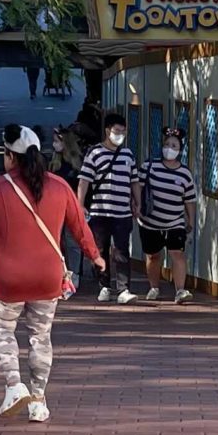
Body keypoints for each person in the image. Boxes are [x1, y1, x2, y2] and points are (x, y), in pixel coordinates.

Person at [0, 127, 103, 423]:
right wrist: (96, 256)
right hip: (48, 278)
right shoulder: (60, 186)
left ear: (10, 156)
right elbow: (79, 228)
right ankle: (38, 400)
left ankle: (14, 385)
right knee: (41, 337)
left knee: (2, 331)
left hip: (8, 279)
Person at [76, 110, 140, 304]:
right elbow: (84, 181)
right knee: (100, 250)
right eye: (116, 130)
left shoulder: (128, 155)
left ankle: (123, 289)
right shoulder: (95, 153)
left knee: (122, 250)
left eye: (122, 131)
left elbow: (134, 181)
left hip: (122, 212)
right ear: (107, 131)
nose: (119, 134)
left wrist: (137, 202)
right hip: (100, 212)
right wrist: (79, 205)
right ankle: (104, 286)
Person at [137, 121, 200, 303]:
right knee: (153, 255)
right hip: (150, 222)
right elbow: (138, 188)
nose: (169, 149)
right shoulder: (149, 166)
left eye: (173, 146)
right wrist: (137, 207)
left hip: (175, 222)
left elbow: (189, 199)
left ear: (180, 149)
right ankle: (154, 287)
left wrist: (190, 220)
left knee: (177, 254)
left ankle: (180, 290)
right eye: (166, 145)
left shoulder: (184, 174)